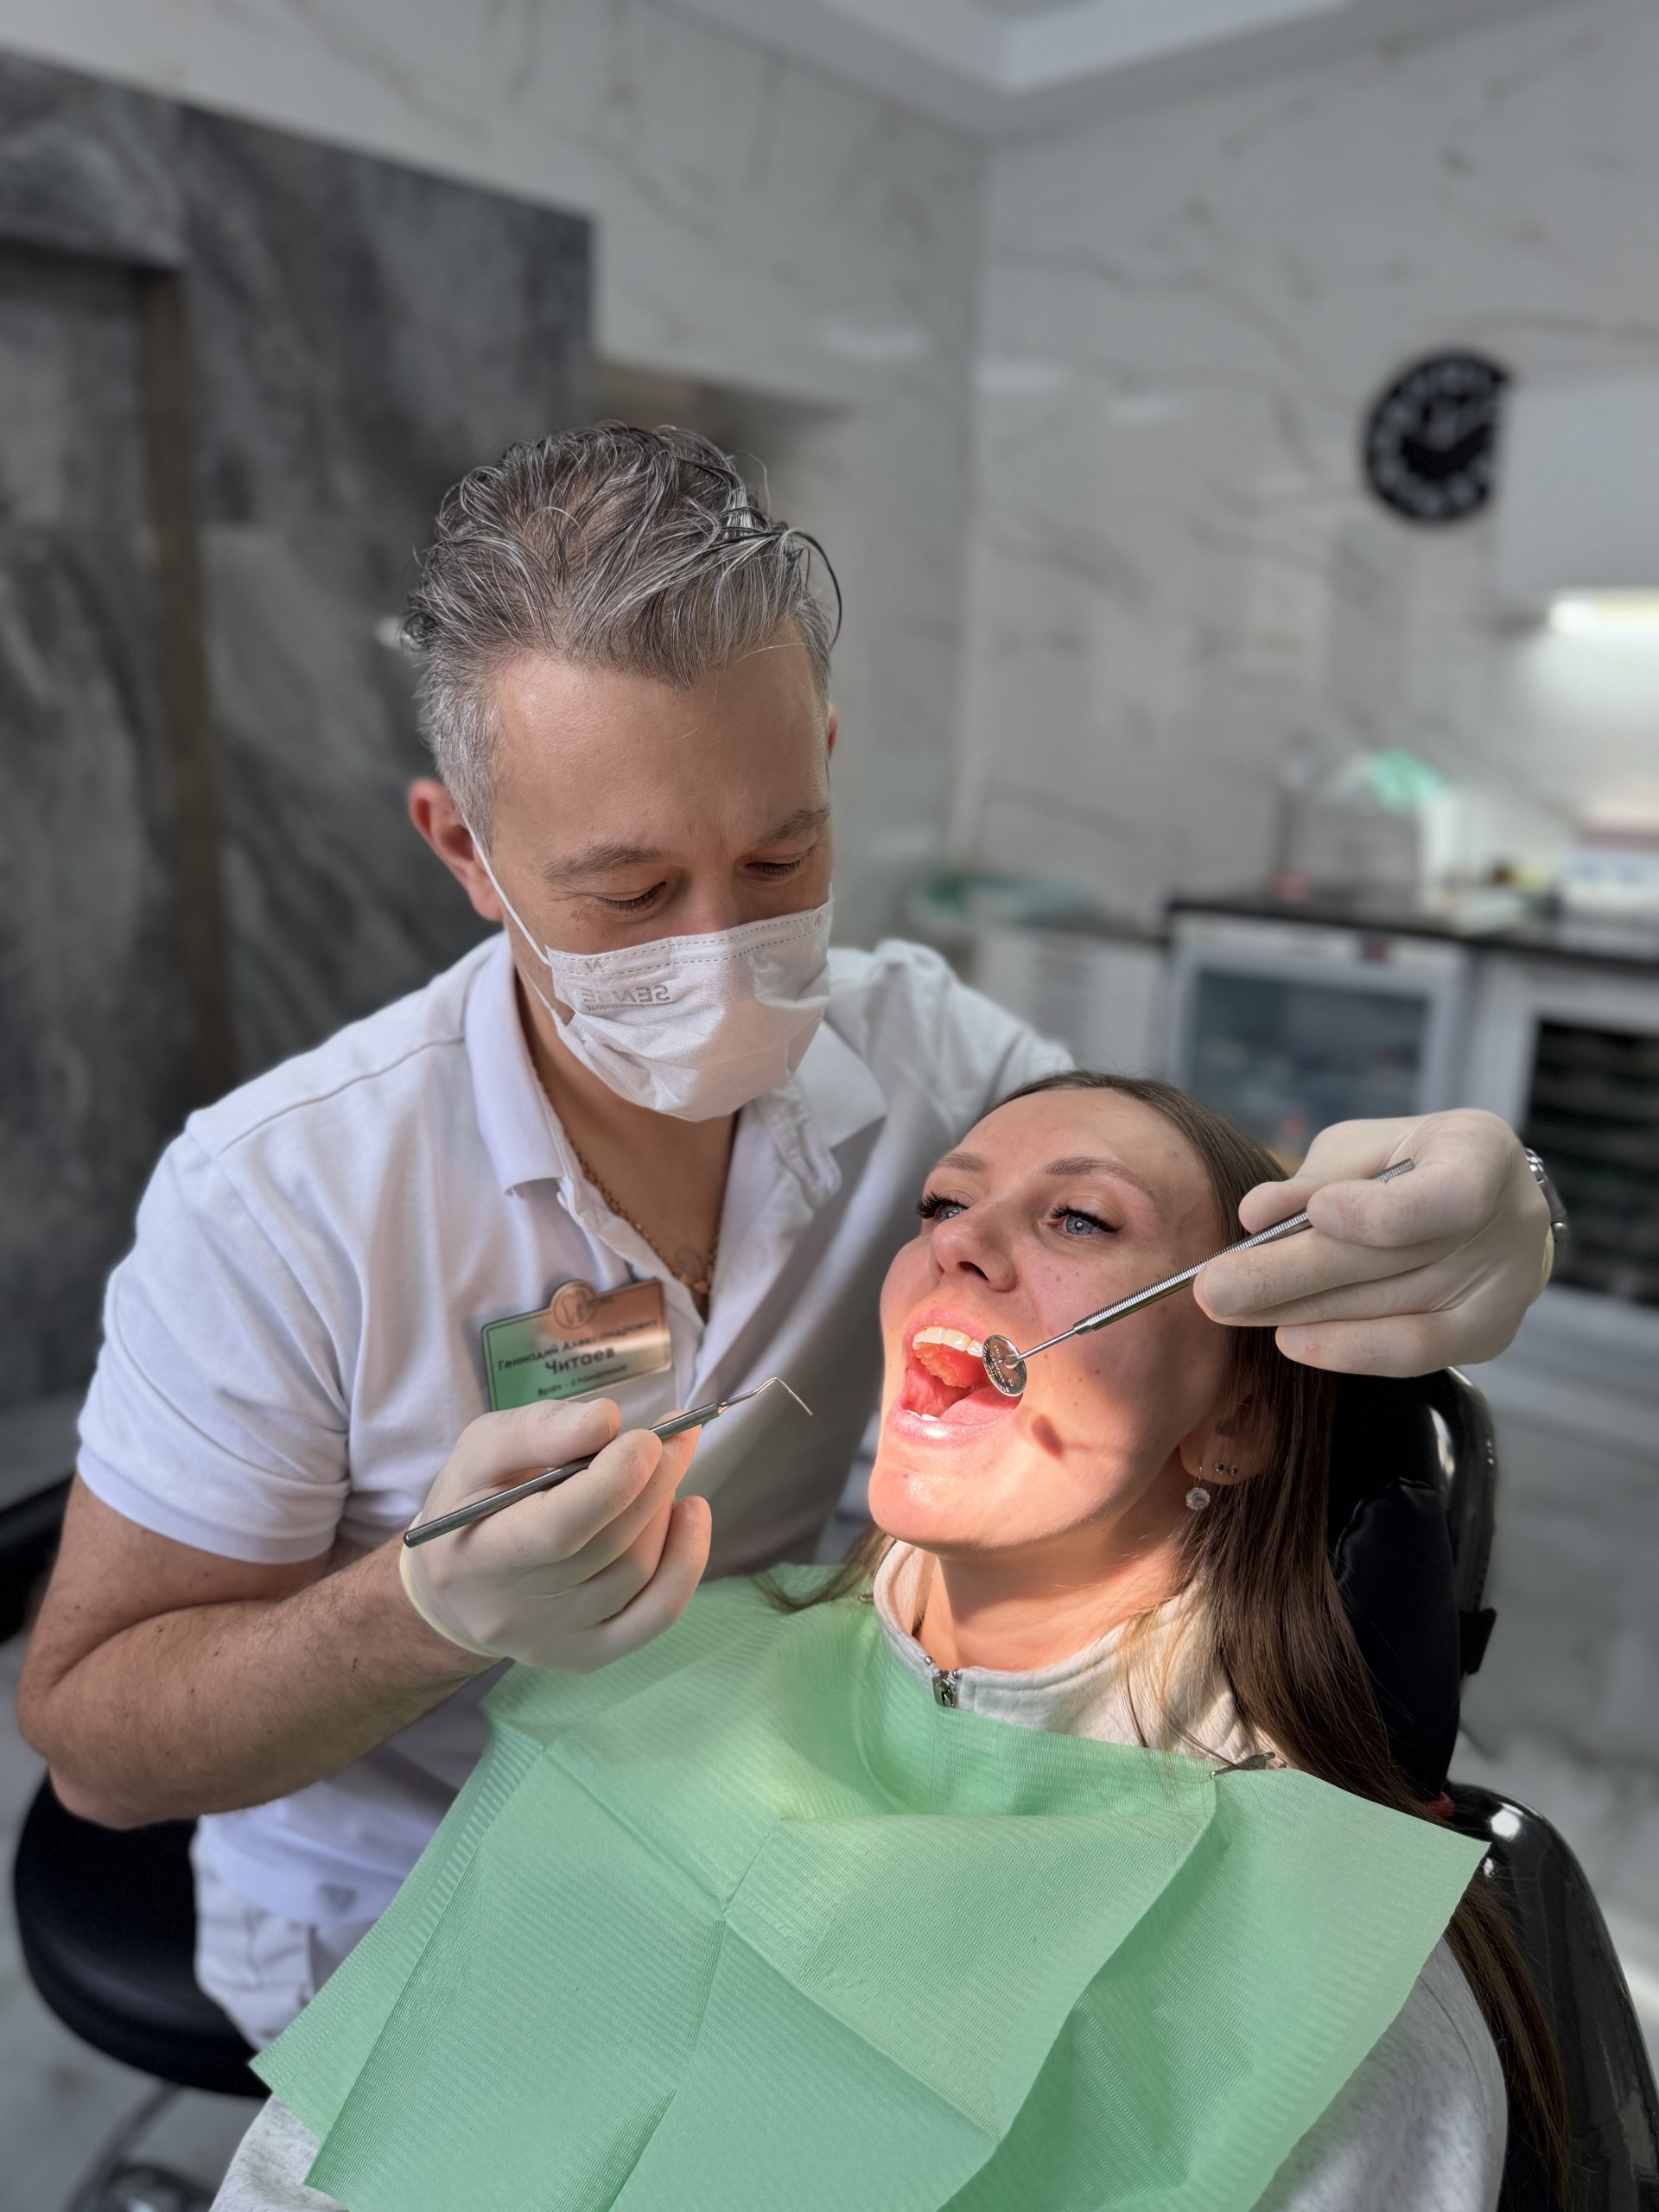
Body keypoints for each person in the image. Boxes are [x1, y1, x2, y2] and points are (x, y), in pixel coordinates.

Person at [17, 426, 1556, 2052]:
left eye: (780, 856)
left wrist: (1447, 1215)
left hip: (759, 1826)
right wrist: (423, 1615)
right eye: (630, 894)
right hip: (408, 1906)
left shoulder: (922, 1050)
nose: (725, 950)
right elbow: (97, 1748)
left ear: (823, 755)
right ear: (465, 848)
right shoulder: (278, 1199)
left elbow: (1165, 1213)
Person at [212, 1073, 1566, 2212]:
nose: (958, 1245)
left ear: (1236, 1423)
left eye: (1080, 1218)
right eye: (941, 1206)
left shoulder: (1321, 1979)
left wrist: (1507, 1204)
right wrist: (411, 1613)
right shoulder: (666, 1680)